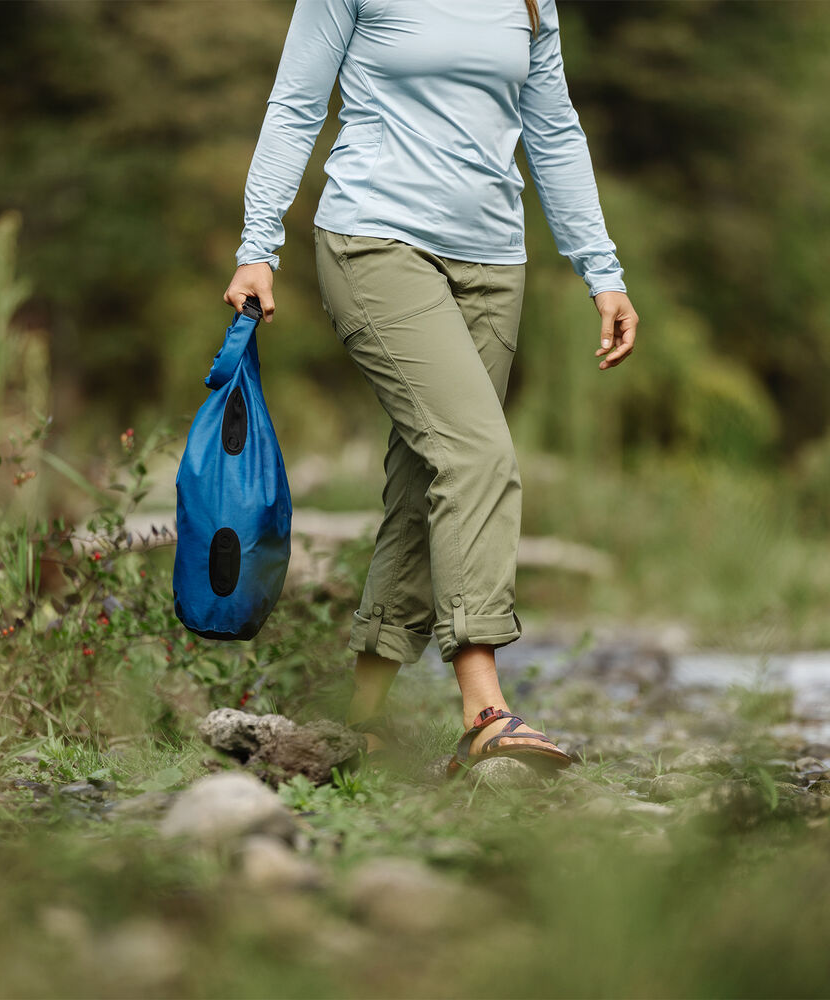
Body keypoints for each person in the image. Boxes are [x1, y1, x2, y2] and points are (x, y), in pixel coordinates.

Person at [223, 0, 639, 774]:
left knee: (427, 478)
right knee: (477, 456)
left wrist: (601, 269)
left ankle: (363, 721)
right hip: (374, 242)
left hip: (493, 264)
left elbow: (553, 130)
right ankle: (484, 707)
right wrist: (259, 245)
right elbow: (296, 105)